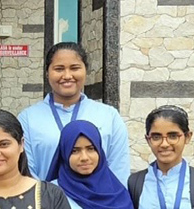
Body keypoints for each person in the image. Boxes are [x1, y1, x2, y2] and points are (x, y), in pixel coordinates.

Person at [18, 42, 129, 183]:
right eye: (59, 69)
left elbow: (119, 170)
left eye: (75, 68)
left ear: (86, 70)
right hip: (45, 196)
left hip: (100, 197)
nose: (67, 75)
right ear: (47, 73)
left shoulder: (109, 116)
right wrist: (47, 195)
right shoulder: (28, 119)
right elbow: (27, 172)